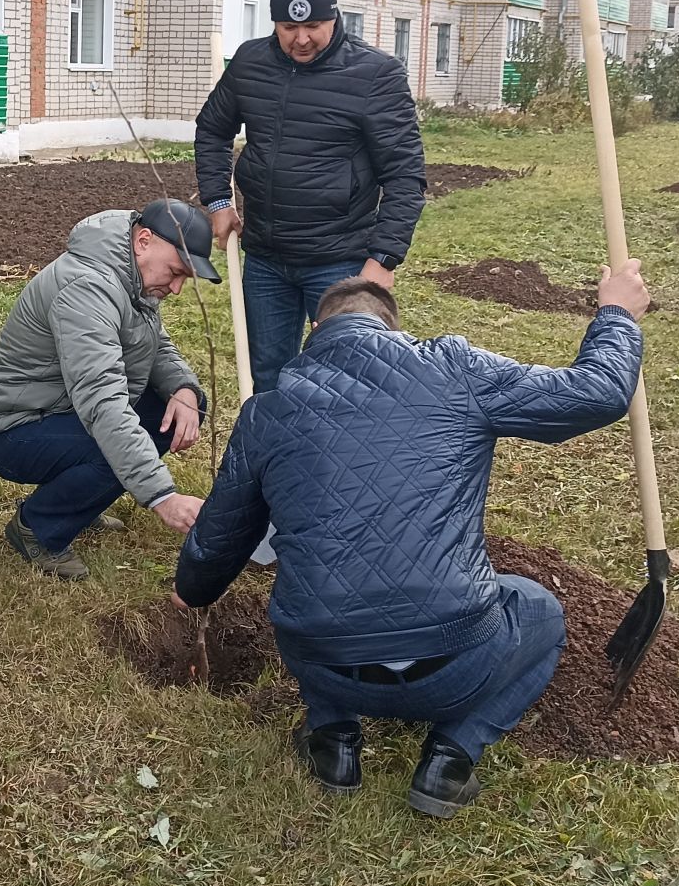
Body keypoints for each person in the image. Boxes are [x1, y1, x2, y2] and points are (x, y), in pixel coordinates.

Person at [172, 264, 649, 817]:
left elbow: (222, 536)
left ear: (316, 336)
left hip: (324, 661)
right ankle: (452, 755)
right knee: (542, 612)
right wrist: (615, 314)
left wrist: (192, 587)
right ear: (393, 328)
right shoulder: (453, 367)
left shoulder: (268, 410)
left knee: (319, 590)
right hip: (456, 666)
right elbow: (595, 393)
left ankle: (334, 743)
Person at [194, 0, 428, 395]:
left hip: (341, 262)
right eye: (288, 28)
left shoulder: (376, 74)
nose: (301, 39)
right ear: (274, 24)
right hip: (266, 260)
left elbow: (405, 175)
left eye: (312, 27)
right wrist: (219, 202)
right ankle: (270, 461)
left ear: (333, 18)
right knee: (267, 377)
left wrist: (382, 260)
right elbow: (212, 129)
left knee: (348, 380)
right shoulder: (250, 63)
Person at [0, 200, 219, 581]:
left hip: (62, 410)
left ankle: (78, 503)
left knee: (169, 412)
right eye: (175, 272)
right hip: (15, 428)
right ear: (144, 241)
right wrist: (162, 497)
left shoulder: (130, 278)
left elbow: (154, 345)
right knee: (113, 444)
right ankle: (36, 529)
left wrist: (184, 389)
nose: (177, 288)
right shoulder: (86, 288)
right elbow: (103, 401)